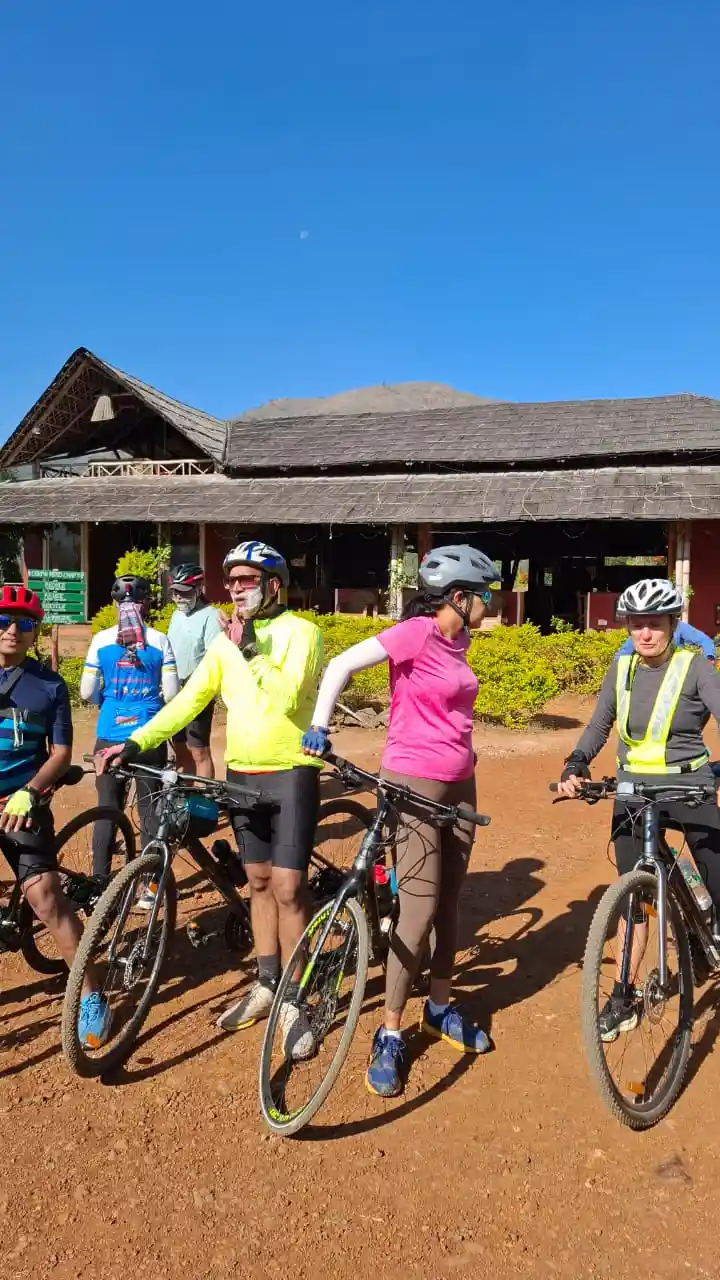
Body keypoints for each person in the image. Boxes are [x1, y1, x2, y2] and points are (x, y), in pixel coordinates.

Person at [102, 541, 324, 1055]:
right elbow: (189, 700)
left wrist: (250, 650)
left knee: (289, 888)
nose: (237, 590)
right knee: (258, 882)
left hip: (291, 770)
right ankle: (268, 982)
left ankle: (296, 999)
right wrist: (136, 741)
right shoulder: (225, 644)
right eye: (232, 582)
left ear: (273, 585)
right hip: (242, 774)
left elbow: (288, 697)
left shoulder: (302, 633)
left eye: (247, 581)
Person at [303, 544, 496, 1098]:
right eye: (484, 595)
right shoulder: (416, 633)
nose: (490, 604)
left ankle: (438, 1008)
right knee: (418, 909)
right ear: (459, 597)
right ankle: (389, 1031)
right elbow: (341, 664)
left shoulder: (460, 642)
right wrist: (320, 726)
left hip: (460, 781)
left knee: (450, 902)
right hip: (412, 780)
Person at [556, 577, 720, 1042]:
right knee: (635, 899)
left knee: (717, 874)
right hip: (633, 791)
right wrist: (577, 761)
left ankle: (707, 924)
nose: (645, 634)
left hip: (689, 787)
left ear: (673, 624)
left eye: (655, 624)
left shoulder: (696, 667)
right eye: (636, 625)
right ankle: (623, 997)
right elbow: (600, 723)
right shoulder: (622, 667)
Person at [0, 585, 110, 1046]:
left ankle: (91, 993)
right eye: (3, 621)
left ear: (35, 633)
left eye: (24, 624)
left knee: (46, 899)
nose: (12, 630)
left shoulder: (48, 685)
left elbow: (60, 752)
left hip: (22, 803)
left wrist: (30, 791)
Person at [80, 574, 179, 900]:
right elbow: (172, 693)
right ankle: (148, 888)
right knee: (150, 812)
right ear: (146, 604)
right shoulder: (160, 641)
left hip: (109, 735)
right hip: (148, 736)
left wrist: (111, 702)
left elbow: (87, 692)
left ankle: (99, 887)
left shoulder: (100, 640)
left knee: (107, 809)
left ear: (114, 604)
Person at [166, 564, 223, 779]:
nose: (179, 598)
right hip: (175, 693)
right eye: (175, 592)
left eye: (185, 592)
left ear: (199, 589)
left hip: (197, 693)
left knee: (199, 751)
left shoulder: (211, 616)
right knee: (180, 748)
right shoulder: (176, 616)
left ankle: (204, 796)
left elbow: (212, 658)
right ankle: (184, 794)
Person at [616, 617, 715, 661]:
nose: (646, 636)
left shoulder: (679, 626)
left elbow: (704, 640)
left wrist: (709, 658)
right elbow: (622, 656)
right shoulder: (642, 632)